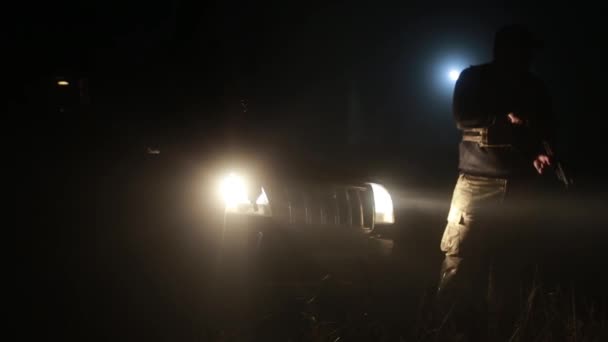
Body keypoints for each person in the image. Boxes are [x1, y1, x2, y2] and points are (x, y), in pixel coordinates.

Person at [435, 25, 556, 340]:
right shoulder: (473, 78)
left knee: (507, 272)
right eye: (523, 49)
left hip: (519, 188)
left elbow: (543, 129)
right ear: (504, 50)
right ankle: (447, 331)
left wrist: (539, 153)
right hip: (475, 183)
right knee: (458, 265)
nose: (529, 57)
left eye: (530, 51)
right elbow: (463, 117)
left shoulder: (535, 86)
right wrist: (503, 117)